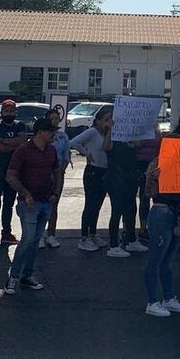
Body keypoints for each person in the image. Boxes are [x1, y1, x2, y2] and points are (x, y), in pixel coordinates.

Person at [4, 118, 60, 295]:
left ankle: (27, 275)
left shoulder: (51, 150)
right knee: (28, 239)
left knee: (35, 241)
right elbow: (11, 176)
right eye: (50, 131)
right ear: (40, 133)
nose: (53, 134)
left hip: (45, 200)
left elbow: (57, 171)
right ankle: (13, 276)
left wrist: (55, 194)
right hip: (28, 203)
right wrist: (25, 194)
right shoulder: (23, 151)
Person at [142, 138, 180, 318]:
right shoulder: (156, 163)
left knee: (168, 260)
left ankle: (169, 297)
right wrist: (153, 178)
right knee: (155, 259)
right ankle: (152, 301)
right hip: (162, 213)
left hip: (177, 215)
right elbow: (149, 193)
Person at [0, 100, 28, 249]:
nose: (9, 114)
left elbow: (23, 143)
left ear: (15, 112)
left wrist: (6, 142)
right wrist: (14, 145)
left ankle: (6, 232)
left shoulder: (20, 125)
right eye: (6, 111)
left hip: (14, 170)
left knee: (9, 203)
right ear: (2, 113)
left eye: (11, 111)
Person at [102, 118, 148, 258]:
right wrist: (110, 129)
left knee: (131, 208)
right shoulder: (112, 139)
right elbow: (106, 147)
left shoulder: (129, 140)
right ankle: (113, 245)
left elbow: (139, 144)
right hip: (116, 177)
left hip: (130, 177)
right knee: (117, 210)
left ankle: (131, 239)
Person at [70, 106, 113, 252]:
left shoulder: (107, 134)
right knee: (90, 204)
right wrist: (86, 153)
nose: (108, 123)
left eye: (110, 120)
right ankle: (84, 238)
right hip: (93, 171)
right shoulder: (92, 132)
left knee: (98, 204)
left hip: (104, 171)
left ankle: (93, 234)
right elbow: (74, 142)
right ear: (98, 121)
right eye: (106, 120)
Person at [40, 109, 70, 249]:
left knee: (54, 204)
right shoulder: (42, 136)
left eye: (57, 118)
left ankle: (51, 234)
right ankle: (39, 235)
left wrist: (60, 171)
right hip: (43, 173)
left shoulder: (63, 136)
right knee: (41, 203)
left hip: (58, 173)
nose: (55, 121)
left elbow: (65, 156)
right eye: (52, 118)